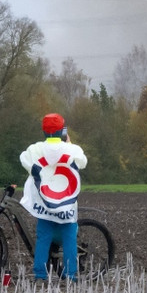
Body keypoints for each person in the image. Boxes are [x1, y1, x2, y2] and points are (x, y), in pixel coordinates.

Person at [19, 113, 88, 282]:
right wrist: (69, 143)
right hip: (67, 204)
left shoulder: (34, 149)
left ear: (43, 131)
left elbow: (24, 160)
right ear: (62, 131)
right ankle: (71, 275)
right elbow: (83, 162)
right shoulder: (72, 149)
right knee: (69, 237)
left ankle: (40, 275)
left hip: (45, 203)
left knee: (43, 237)